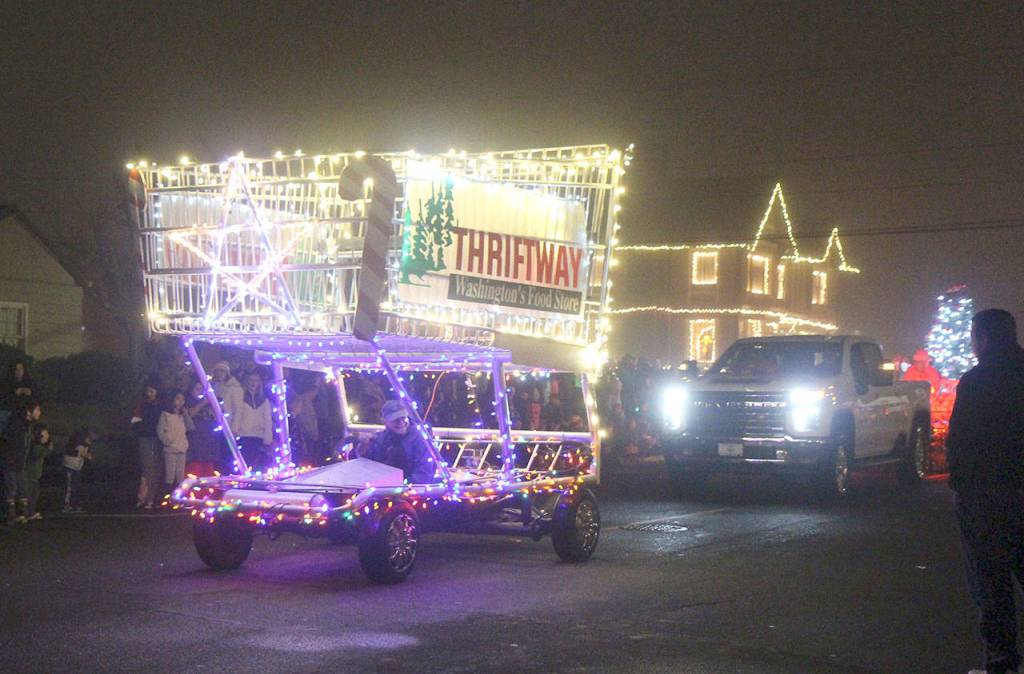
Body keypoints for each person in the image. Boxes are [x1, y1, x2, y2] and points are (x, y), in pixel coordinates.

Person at [947, 309, 1024, 674]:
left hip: (986, 495)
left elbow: (960, 441)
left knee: (991, 583)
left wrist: (960, 487)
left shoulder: (976, 382)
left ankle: (1001, 660)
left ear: (982, 338)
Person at [359, 400, 436, 484]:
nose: (401, 422)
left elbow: (423, 475)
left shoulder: (421, 439)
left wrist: (400, 486)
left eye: (403, 418)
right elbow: (365, 464)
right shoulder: (379, 438)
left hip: (412, 491)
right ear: (385, 421)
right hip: (383, 489)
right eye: (395, 420)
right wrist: (363, 445)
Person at [2, 398, 40, 523]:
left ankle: (23, 514)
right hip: (12, 463)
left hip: (20, 464)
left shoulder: (27, 425)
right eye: (37, 410)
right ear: (29, 411)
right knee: (11, 489)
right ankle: (11, 516)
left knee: (23, 489)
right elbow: (9, 443)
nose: (39, 413)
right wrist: (11, 458)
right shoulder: (17, 424)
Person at [131, 382, 163, 509]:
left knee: (155, 469)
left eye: (152, 391)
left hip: (158, 439)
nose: (150, 394)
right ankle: (145, 497)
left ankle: (151, 497)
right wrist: (141, 431)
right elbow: (135, 422)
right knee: (148, 468)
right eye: (148, 391)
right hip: (146, 438)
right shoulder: (142, 405)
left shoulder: (160, 405)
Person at [232, 372, 273, 472]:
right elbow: (238, 415)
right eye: (251, 380)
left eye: (256, 380)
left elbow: (268, 420)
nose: (253, 383)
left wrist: (268, 439)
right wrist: (234, 430)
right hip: (244, 436)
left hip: (258, 437)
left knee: (256, 466)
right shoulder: (241, 398)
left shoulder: (264, 400)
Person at [157, 391, 191, 497]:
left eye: (182, 399)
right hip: (170, 448)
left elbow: (190, 427)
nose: (180, 402)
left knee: (180, 475)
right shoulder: (165, 414)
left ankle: (179, 497)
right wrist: (167, 440)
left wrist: (185, 414)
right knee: (169, 475)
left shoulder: (182, 415)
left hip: (181, 447)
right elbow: (160, 430)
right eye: (178, 399)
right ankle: (167, 497)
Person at [24, 423, 53, 520]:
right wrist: (47, 450)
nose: (48, 435)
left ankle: (30, 513)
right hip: (29, 475)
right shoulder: (36, 447)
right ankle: (26, 513)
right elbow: (36, 457)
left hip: (34, 476)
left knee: (34, 494)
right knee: (29, 495)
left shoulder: (39, 446)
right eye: (45, 433)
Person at [62, 429, 94, 513]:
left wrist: (87, 456)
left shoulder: (86, 446)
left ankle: (75, 505)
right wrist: (80, 454)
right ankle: (66, 505)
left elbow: (87, 456)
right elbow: (69, 452)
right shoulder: (74, 444)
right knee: (69, 487)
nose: (90, 439)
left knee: (76, 487)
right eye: (88, 437)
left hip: (77, 469)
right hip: (69, 467)